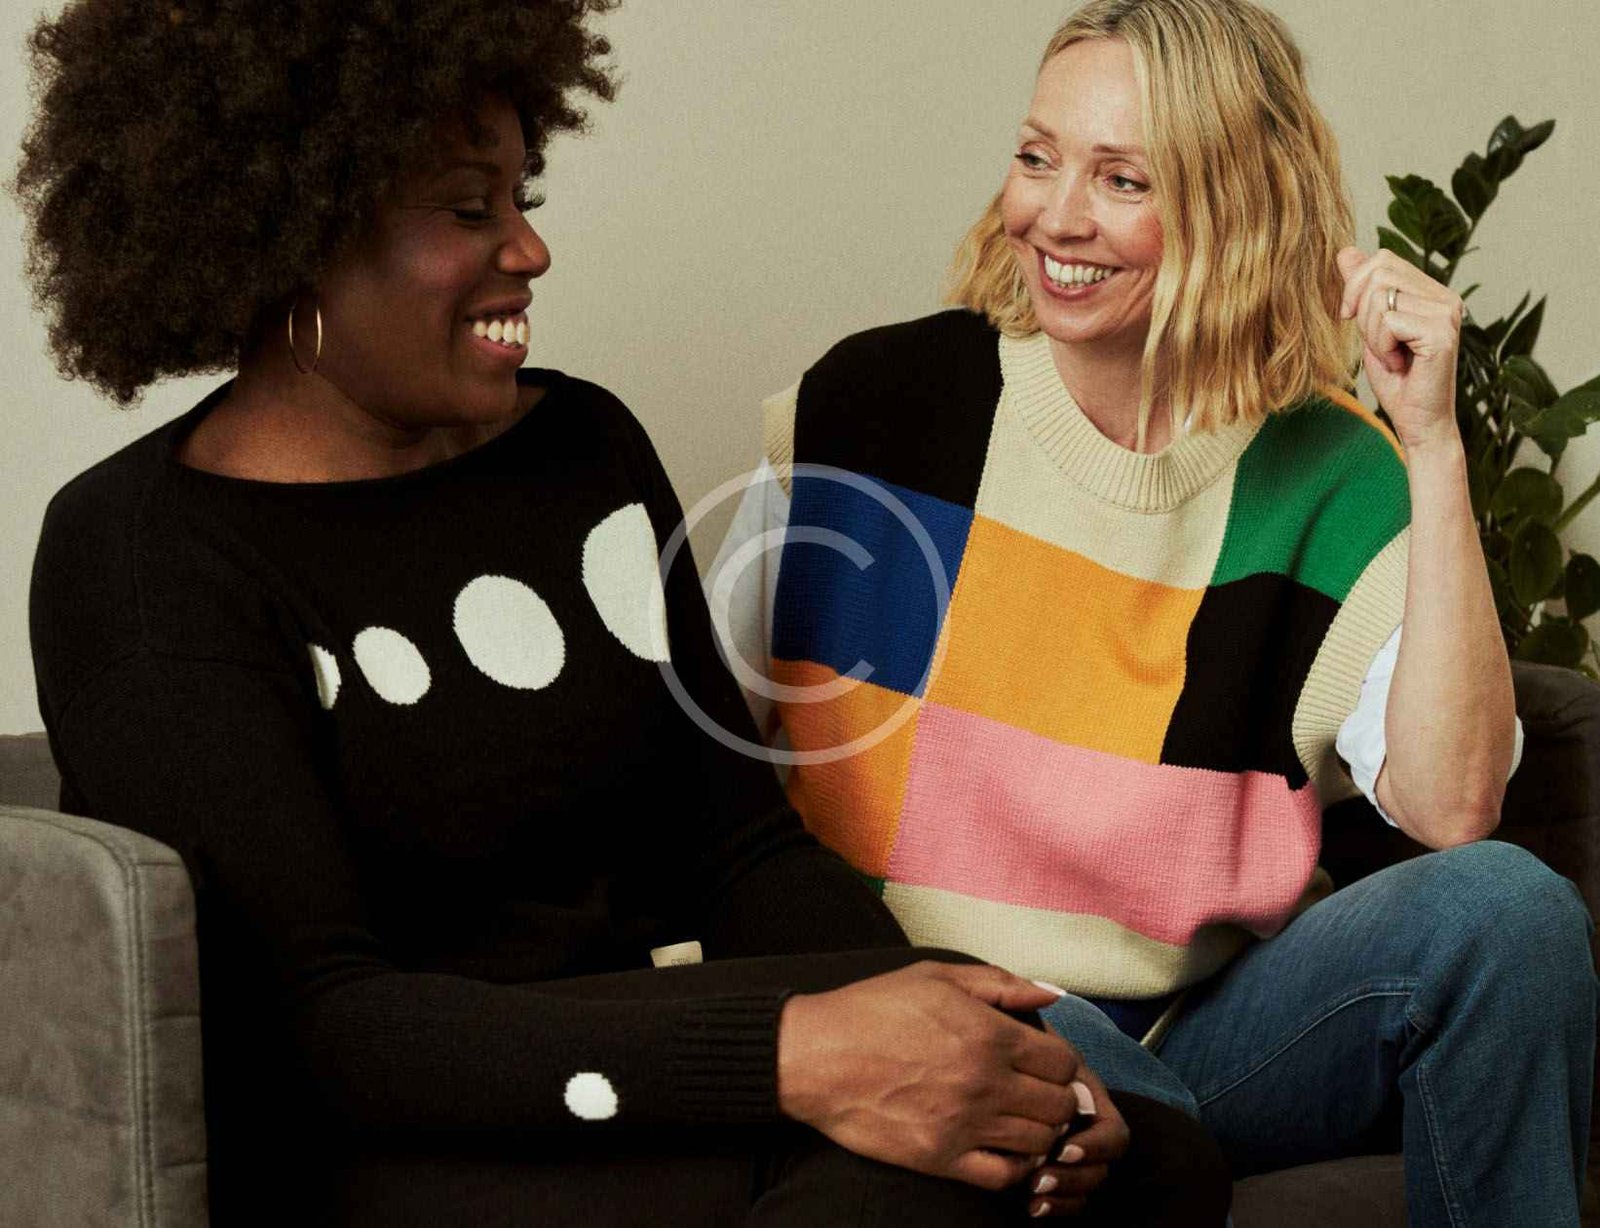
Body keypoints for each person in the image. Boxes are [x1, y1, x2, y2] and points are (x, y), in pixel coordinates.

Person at [16, 0, 1234, 1223]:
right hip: (378, 1143)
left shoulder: (580, 448)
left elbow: (737, 852)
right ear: (296, 235)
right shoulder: (141, 554)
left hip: (644, 1094)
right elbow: (317, 1025)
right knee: (932, 1186)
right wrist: (792, 1053)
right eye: (468, 209)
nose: (529, 248)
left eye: (521, 194)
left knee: (1119, 1152)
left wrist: (958, 1041)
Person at [709, 0, 1597, 1224]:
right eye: (1037, 157)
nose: (1055, 216)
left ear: (1237, 207)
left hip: (1210, 1034)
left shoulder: (1333, 473)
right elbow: (680, 751)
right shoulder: (873, 405)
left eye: (1122, 179)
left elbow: (1452, 806)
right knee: (1060, 1063)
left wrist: (1434, 445)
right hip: (933, 1004)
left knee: (1510, 910)